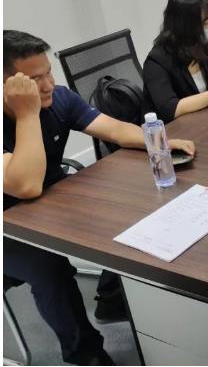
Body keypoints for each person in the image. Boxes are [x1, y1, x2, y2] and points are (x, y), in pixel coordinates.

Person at [3, 30, 195, 366]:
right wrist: (27, 114)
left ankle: (111, 296)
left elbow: (115, 130)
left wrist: (159, 141)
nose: (48, 85)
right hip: (9, 226)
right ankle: (85, 353)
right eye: (33, 80)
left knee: (120, 208)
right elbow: (26, 185)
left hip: (50, 199)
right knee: (49, 267)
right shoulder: (28, 111)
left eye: (48, 72)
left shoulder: (59, 98)